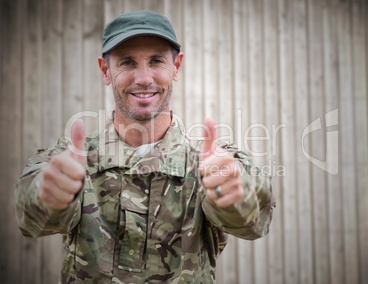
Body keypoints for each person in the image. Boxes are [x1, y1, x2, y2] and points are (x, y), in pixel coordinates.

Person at [14, 10, 275, 283]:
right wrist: (49, 196)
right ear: (106, 70)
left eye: (156, 61)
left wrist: (234, 194)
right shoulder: (73, 161)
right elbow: (30, 217)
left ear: (176, 67)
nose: (143, 78)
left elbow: (253, 220)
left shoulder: (210, 162)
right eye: (127, 62)